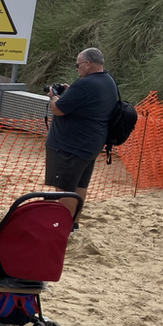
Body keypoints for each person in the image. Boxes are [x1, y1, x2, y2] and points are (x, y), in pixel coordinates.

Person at [45, 47, 118, 230]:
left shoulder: (85, 85)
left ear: (88, 64)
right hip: (90, 144)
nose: (76, 69)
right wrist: (70, 93)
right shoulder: (108, 81)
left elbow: (58, 109)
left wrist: (54, 97)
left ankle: (63, 226)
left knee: (64, 189)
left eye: (78, 65)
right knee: (79, 186)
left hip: (70, 147)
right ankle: (74, 224)